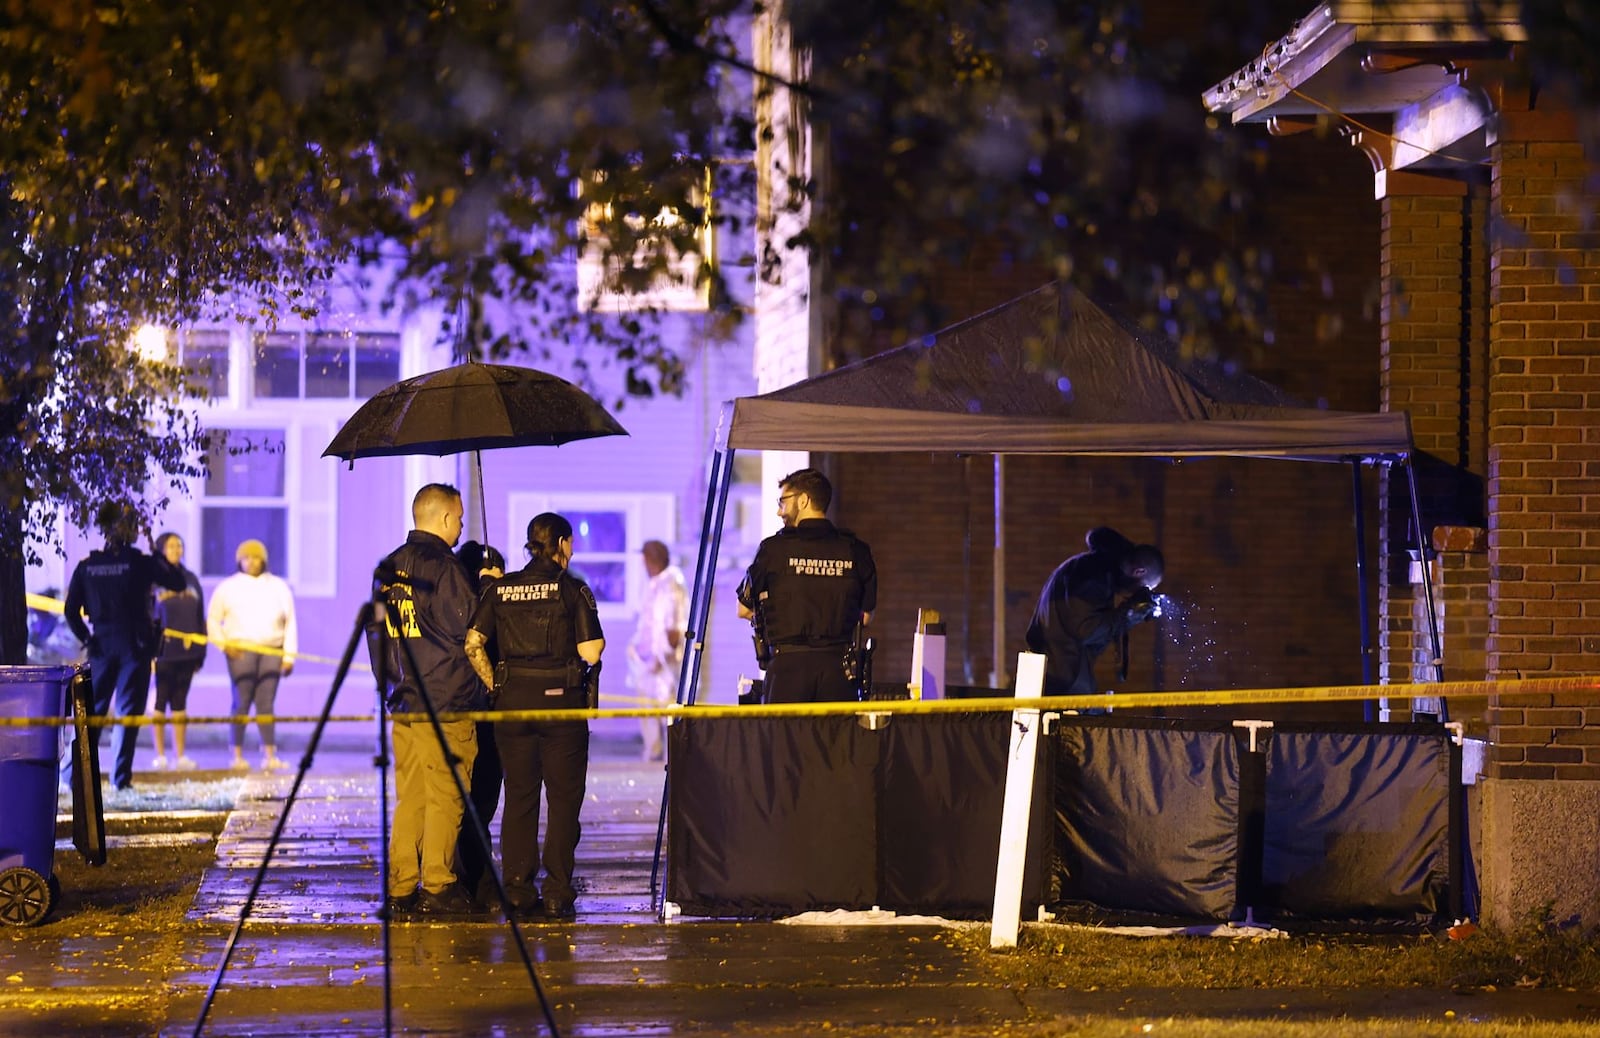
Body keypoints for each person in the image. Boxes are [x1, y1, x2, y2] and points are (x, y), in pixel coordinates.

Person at [465, 512, 604, 920]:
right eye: (570, 542)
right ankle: (558, 890)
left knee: (520, 798)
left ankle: (518, 889)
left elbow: (473, 644)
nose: (572, 548)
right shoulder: (572, 589)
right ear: (560, 544)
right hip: (561, 708)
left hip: (512, 706)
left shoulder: (500, 589)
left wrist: (496, 685)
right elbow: (591, 651)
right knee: (563, 802)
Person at [378, 484, 483, 917]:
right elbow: (471, 633)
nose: (460, 526)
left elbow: (376, 638)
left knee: (412, 797)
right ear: (443, 519)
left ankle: (401, 887)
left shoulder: (389, 569)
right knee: (446, 794)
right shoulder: (446, 568)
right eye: (458, 518)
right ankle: (439, 885)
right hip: (446, 702)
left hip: (403, 701)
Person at [63, 502, 188, 792]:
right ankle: (121, 781)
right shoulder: (140, 563)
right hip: (134, 647)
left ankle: (72, 777)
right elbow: (178, 581)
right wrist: (155, 552)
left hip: (101, 647)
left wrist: (88, 639)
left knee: (91, 715)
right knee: (128, 714)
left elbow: (71, 611)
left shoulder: (88, 566)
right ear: (130, 531)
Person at [736, 468, 876, 704]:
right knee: (835, 740)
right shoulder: (856, 550)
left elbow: (743, 609)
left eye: (783, 502)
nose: (779, 511)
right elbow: (865, 618)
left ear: (803, 500)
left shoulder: (773, 550)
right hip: (838, 674)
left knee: (785, 740)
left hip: (786, 673)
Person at [1024, 526, 1165, 695]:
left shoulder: (1094, 570)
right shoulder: (1092, 574)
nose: (1142, 593)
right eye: (1146, 587)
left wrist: (1128, 615)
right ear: (1139, 571)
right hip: (1060, 682)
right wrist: (1131, 613)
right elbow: (1086, 630)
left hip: (1058, 676)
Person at [207, 538, 298, 771]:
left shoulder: (278, 586)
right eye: (247, 557)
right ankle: (236, 754)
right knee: (241, 702)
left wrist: (289, 656)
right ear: (240, 560)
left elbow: (290, 623)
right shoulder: (228, 587)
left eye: (256, 557)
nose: (252, 562)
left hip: (271, 649)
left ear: (264, 560)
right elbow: (213, 620)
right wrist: (224, 645)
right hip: (241, 651)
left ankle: (269, 754)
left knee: (266, 703)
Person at [454, 539, 506, 906]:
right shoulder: (459, 604)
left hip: (489, 716)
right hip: (468, 708)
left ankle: (475, 873)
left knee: (483, 799)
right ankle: (473, 876)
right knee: (469, 800)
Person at [150, 532, 207, 771]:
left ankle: (180, 756)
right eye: (171, 546)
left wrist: (200, 651)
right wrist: (149, 653)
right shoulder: (155, 580)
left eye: (179, 545)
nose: (176, 549)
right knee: (161, 702)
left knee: (181, 703)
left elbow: (199, 615)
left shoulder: (191, 579)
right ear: (162, 549)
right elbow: (149, 617)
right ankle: (160, 756)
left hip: (187, 654)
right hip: (163, 653)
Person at [626, 539, 687, 762]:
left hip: (663, 660)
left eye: (644, 558)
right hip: (647, 658)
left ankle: (674, 756)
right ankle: (653, 751)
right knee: (647, 708)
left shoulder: (670, 582)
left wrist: (665, 657)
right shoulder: (654, 583)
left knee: (667, 707)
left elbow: (673, 624)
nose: (642, 563)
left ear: (652, 559)